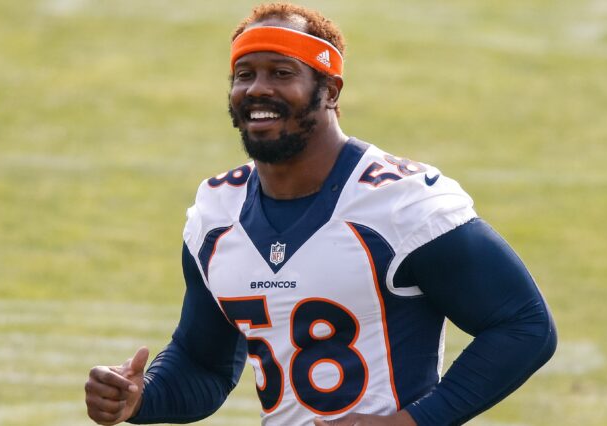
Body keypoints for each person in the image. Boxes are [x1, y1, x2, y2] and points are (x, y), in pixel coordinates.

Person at [84, 3, 557, 426]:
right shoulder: (215, 213)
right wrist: (140, 399)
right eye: (244, 74)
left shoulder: (402, 202)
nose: (257, 89)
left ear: (329, 89)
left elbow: (524, 325)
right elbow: (203, 364)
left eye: (281, 73)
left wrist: (413, 422)